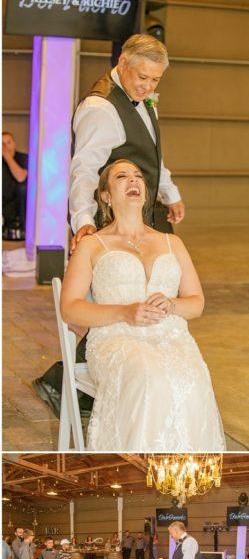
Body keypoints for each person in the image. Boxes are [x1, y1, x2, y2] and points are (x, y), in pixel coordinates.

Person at [33, 33, 186, 419]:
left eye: (155, 81)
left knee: (140, 296)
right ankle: (66, 381)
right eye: (142, 78)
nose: (148, 87)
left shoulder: (141, 99)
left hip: (143, 214)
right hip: (112, 218)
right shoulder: (101, 108)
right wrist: (84, 222)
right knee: (109, 301)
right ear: (122, 62)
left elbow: (153, 156)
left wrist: (169, 192)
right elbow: (83, 170)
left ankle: (76, 381)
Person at [59, 159, 225, 451]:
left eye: (137, 177)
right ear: (106, 196)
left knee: (194, 381)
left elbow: (196, 303)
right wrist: (124, 312)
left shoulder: (172, 243)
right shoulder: (92, 245)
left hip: (171, 337)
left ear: (146, 193)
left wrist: (172, 305)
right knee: (151, 379)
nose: (133, 181)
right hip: (117, 337)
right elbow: (70, 308)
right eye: (122, 177)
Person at [2, 131, 28, 240]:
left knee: (23, 188)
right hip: (4, 203)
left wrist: (8, 157)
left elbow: (21, 177)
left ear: (14, 144)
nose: (5, 147)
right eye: (2, 144)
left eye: (8, 143)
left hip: (20, 203)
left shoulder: (23, 158)